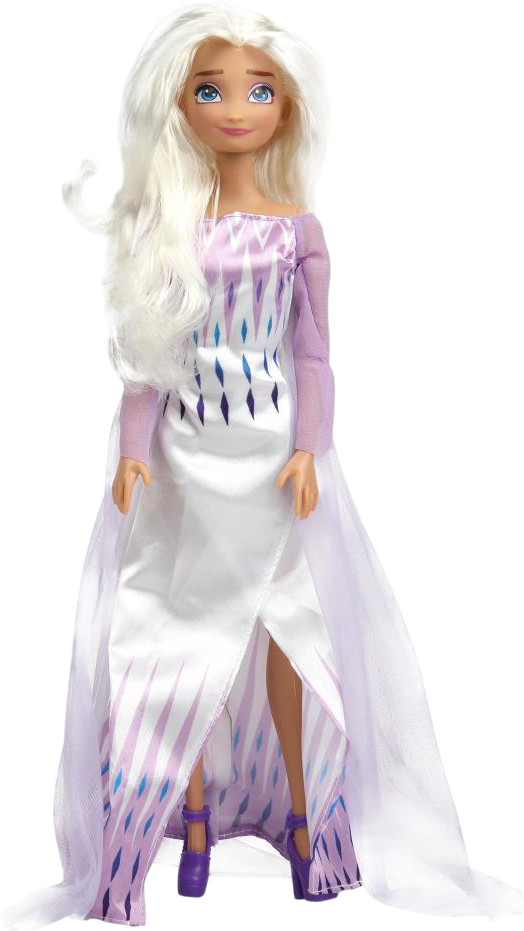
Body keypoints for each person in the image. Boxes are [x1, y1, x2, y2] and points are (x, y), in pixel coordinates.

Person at [1, 4, 523, 927]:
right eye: (211, 90)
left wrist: (311, 449)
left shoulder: (297, 231)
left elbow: (315, 354)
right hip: (184, 460)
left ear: (288, 106)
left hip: (275, 458)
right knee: (177, 642)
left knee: (292, 635)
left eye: (259, 90)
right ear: (177, 105)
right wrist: (131, 456)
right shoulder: (167, 230)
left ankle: (308, 820)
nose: (237, 108)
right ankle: (191, 818)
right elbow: (145, 360)